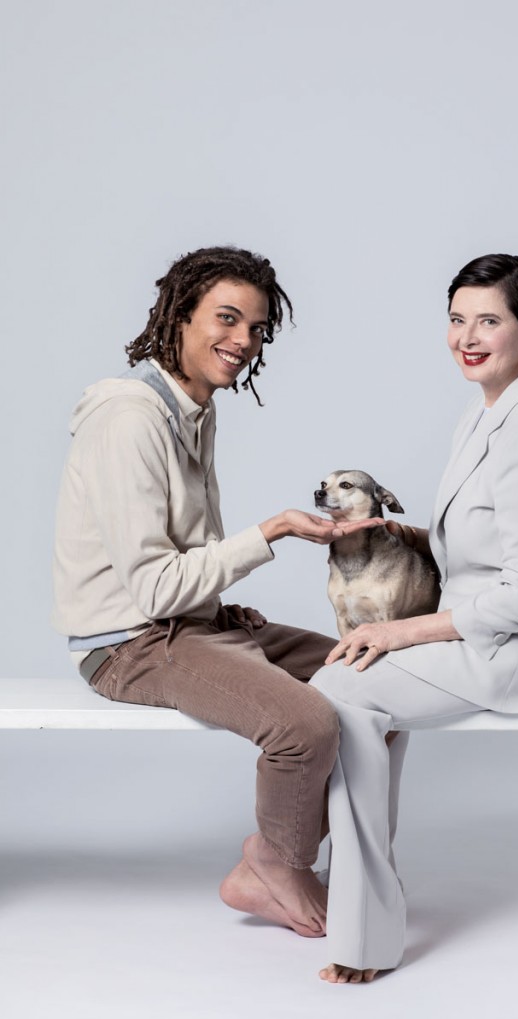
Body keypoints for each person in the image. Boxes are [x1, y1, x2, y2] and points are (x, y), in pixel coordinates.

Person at [51, 245, 380, 939]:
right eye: (226, 320)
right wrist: (273, 530)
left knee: (375, 673)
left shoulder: (193, 410)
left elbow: (178, 561)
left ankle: (329, 855)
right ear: (179, 317)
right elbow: (147, 586)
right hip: (129, 645)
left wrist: (216, 610)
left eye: (257, 329)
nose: (243, 342)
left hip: (185, 623)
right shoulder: (129, 419)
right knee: (305, 723)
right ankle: (274, 867)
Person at [310, 253, 518, 982]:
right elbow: (472, 542)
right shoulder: (487, 410)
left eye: (489, 320)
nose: (466, 336)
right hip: (485, 629)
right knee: (351, 685)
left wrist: (396, 631)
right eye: (455, 319)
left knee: (345, 687)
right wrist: (384, 532)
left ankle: (364, 932)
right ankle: (361, 891)